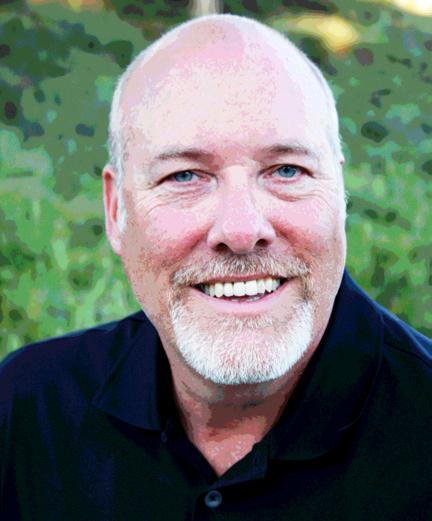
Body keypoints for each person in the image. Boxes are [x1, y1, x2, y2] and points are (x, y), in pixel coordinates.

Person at [1, 13, 430, 521]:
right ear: (116, 211)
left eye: (286, 170)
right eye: (184, 176)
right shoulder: (25, 412)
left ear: (339, 195)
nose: (241, 229)